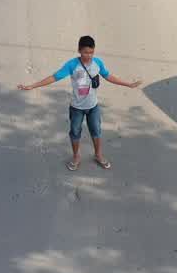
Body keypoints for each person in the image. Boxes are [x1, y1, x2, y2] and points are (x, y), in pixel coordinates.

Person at [18, 35, 142, 171]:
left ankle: (98, 155)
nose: (88, 55)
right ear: (79, 50)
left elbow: (108, 76)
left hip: (93, 106)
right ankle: (76, 156)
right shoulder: (72, 65)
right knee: (75, 132)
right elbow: (54, 77)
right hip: (76, 107)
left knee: (96, 131)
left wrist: (128, 84)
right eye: (85, 52)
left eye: (91, 52)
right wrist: (33, 86)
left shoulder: (98, 63)